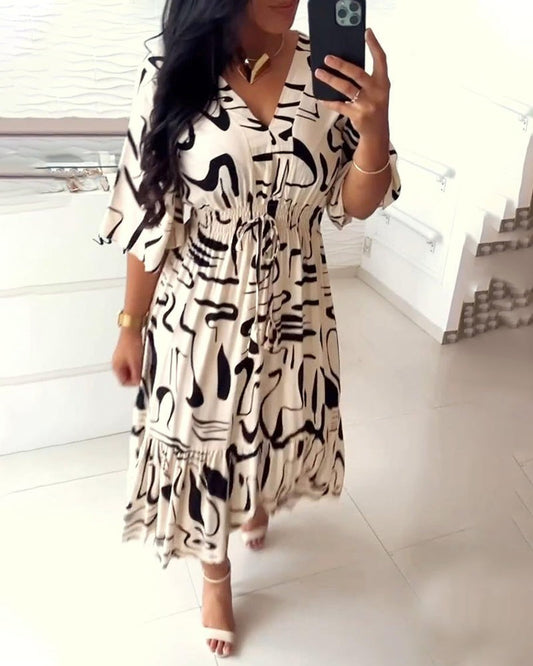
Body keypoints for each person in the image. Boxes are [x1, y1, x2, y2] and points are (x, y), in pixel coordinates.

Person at [95, 0, 401, 658]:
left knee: (272, 421)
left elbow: (354, 203)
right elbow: (148, 212)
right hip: (199, 314)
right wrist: (130, 324)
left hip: (296, 305)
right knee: (204, 449)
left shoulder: (329, 69)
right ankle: (215, 575)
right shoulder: (172, 72)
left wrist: (374, 128)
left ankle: (256, 497)